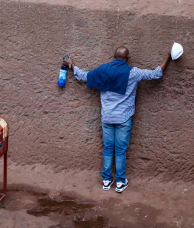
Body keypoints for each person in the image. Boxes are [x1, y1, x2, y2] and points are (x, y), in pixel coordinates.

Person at [64, 46, 171, 193]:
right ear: (127, 58)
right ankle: (120, 182)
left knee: (108, 149)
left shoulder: (103, 70)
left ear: (114, 56)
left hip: (107, 118)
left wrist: (71, 64)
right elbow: (156, 74)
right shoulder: (133, 72)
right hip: (123, 118)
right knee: (120, 151)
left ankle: (106, 180)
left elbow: (84, 76)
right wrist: (168, 57)